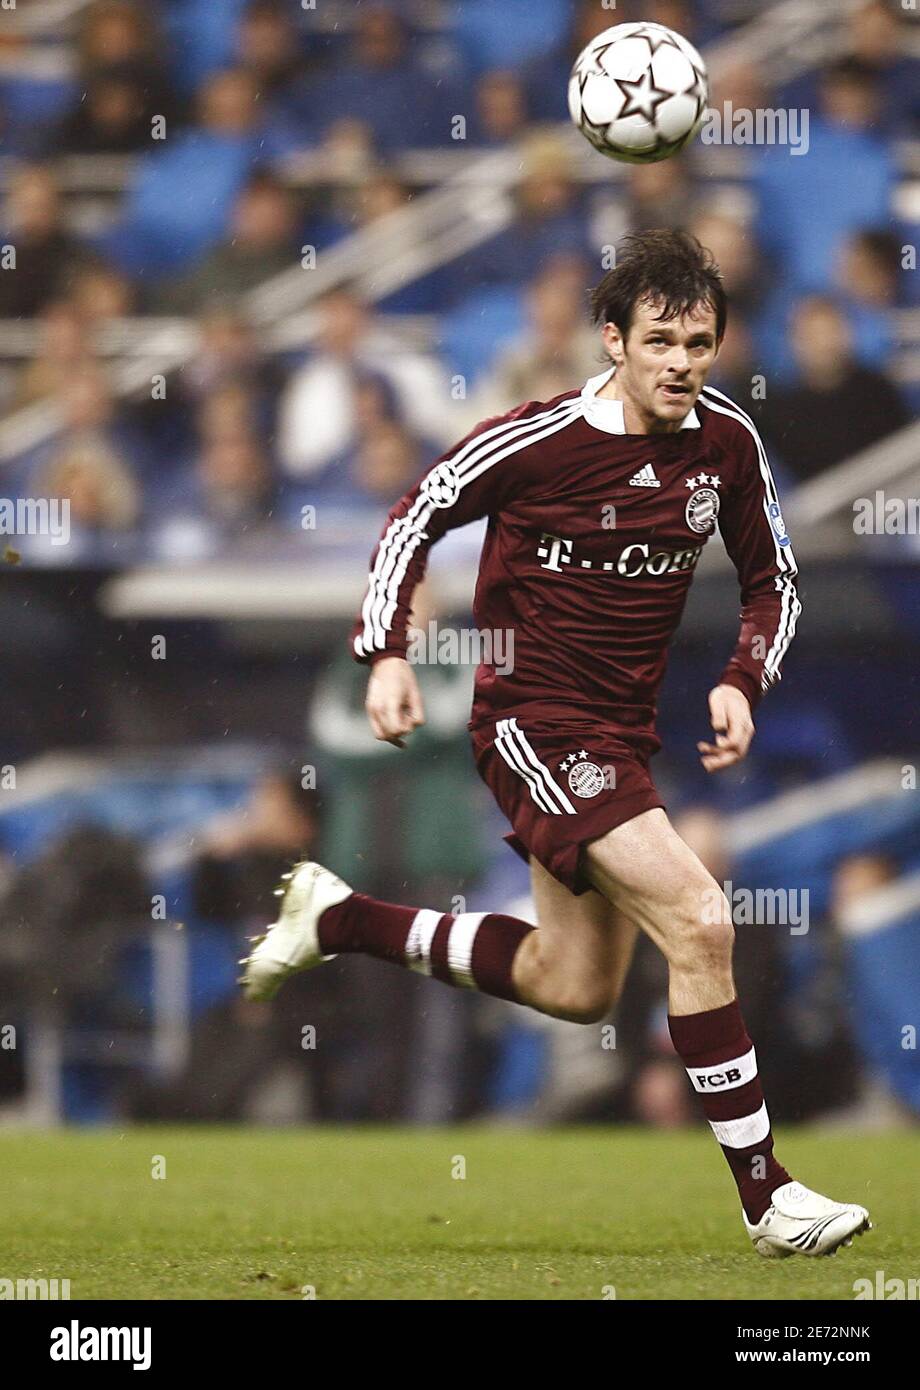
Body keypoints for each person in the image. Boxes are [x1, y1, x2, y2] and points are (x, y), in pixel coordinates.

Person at [242, 230, 870, 1258]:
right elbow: (413, 519)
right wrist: (386, 653)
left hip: (621, 732)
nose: (680, 362)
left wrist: (739, 679)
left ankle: (340, 917)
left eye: (698, 341)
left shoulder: (726, 446)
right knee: (702, 917)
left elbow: (774, 582)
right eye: (658, 340)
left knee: (570, 985)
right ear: (611, 340)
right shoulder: (532, 441)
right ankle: (767, 1196)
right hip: (530, 721)